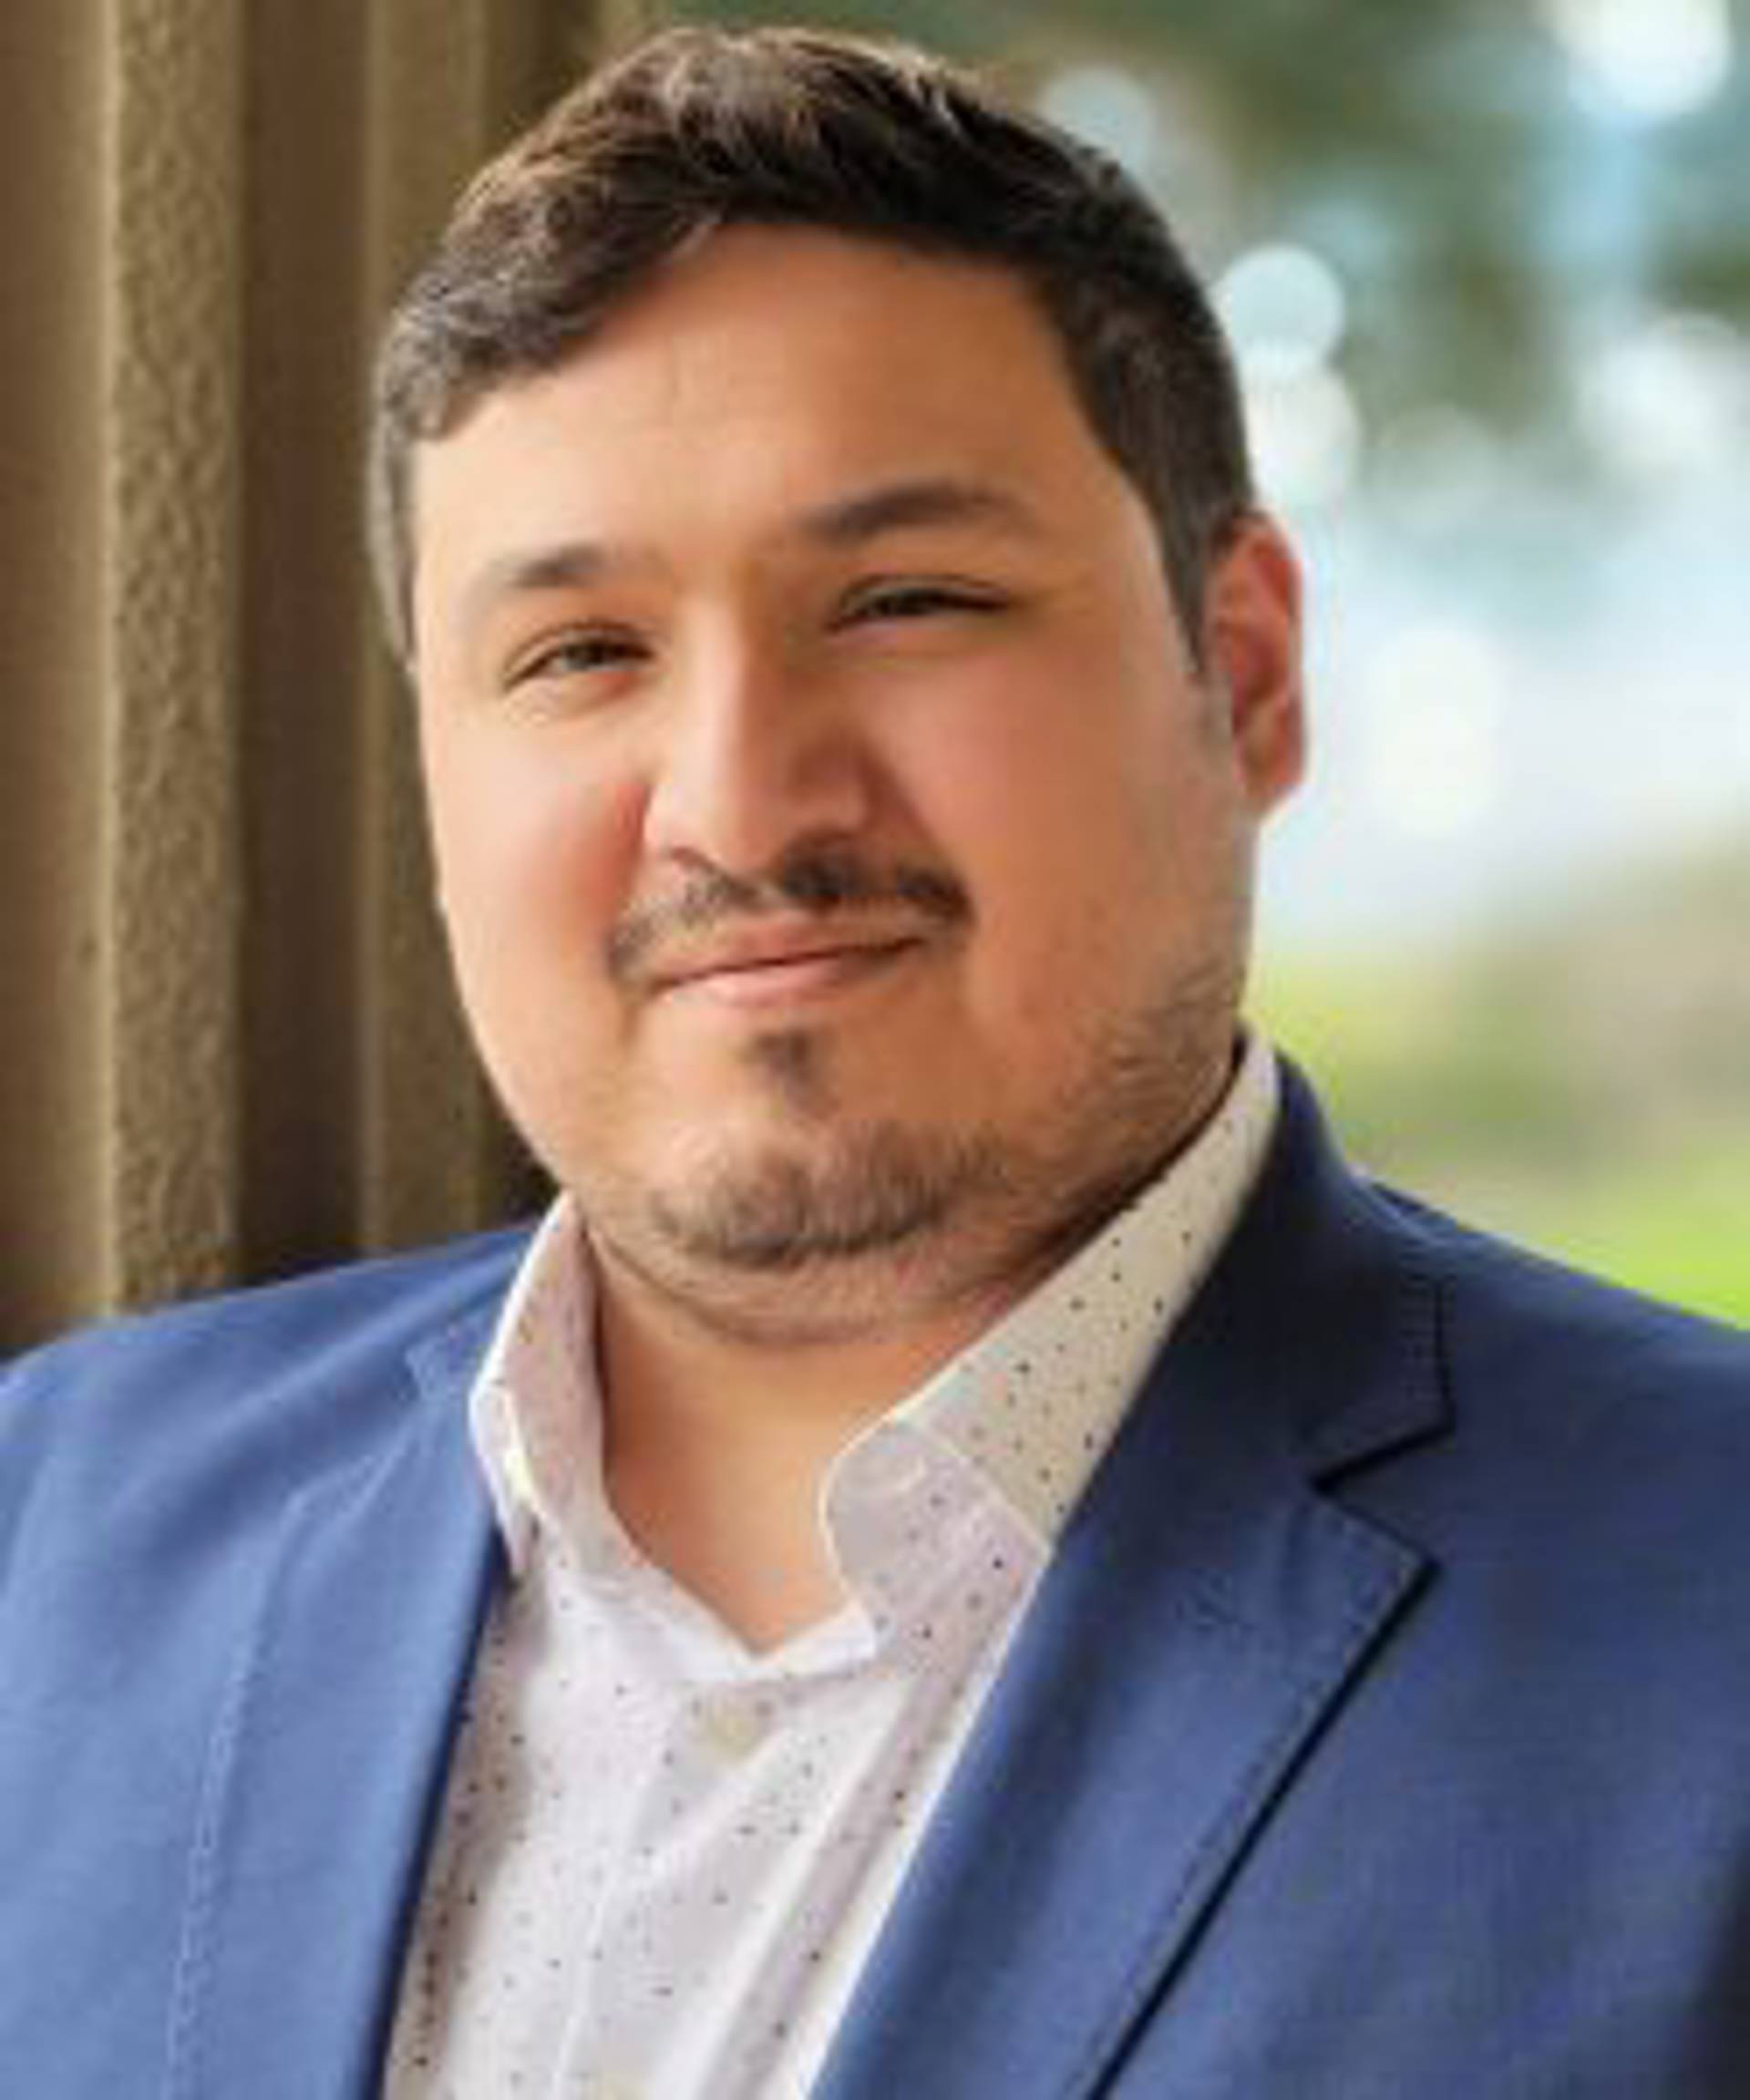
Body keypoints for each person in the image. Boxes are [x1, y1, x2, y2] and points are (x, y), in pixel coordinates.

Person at [2, 24, 1746, 2097]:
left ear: (1248, 678)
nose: (739, 805)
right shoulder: (52, 1531)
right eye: (579, 654)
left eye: (908, 599)